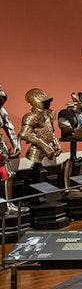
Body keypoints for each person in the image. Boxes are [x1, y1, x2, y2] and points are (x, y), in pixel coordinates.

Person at [19, 88, 61, 165]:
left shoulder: (49, 115)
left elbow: (51, 132)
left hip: (50, 148)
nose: (47, 105)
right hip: (36, 151)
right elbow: (24, 134)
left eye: (47, 102)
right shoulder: (30, 116)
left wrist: (56, 143)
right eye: (45, 103)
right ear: (37, 103)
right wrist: (44, 146)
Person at [0, 85, 22, 215]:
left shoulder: (1, 111)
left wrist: (16, 144)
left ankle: (8, 204)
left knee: (8, 175)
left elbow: (9, 127)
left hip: (1, 146)